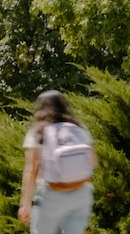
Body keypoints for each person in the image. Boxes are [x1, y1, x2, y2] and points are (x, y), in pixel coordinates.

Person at [19, 92, 94, 234]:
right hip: (81, 193)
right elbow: (93, 162)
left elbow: (32, 170)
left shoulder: (37, 133)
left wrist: (25, 204)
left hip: (50, 195)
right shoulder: (79, 129)